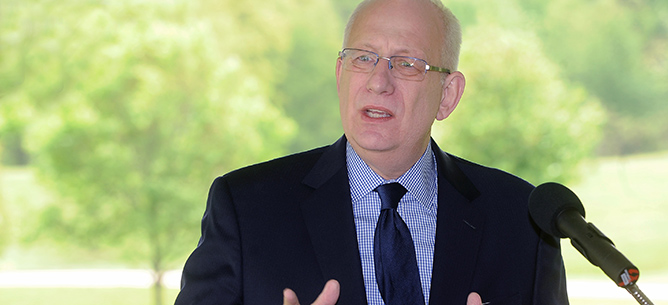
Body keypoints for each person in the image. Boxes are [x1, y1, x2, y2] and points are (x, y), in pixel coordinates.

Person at [174, 0, 569, 304]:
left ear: (447, 96)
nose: (379, 82)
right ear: (340, 74)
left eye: (407, 63)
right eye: (363, 58)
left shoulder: (522, 219)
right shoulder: (246, 208)